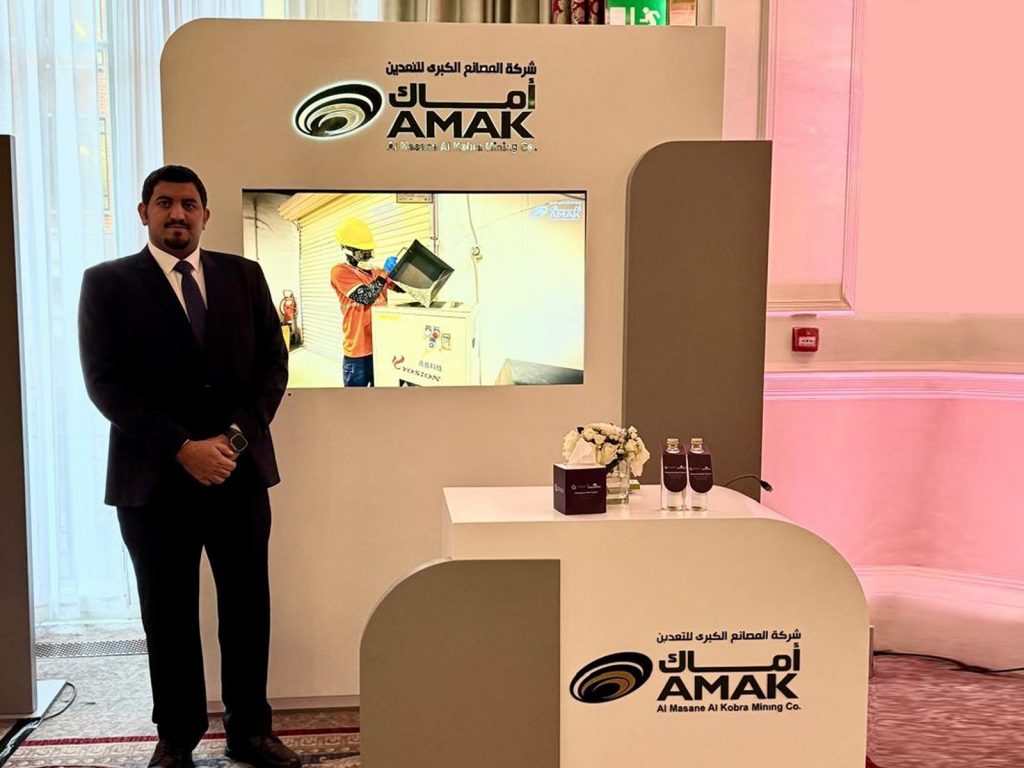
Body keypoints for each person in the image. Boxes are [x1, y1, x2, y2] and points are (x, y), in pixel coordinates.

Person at [78, 165, 296, 768]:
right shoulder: (107, 283)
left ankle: (250, 731)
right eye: (165, 203)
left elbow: (273, 367)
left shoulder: (244, 276)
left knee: (247, 607)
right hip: (152, 484)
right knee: (167, 612)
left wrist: (230, 442)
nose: (178, 214)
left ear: (205, 213)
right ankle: (176, 736)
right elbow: (105, 383)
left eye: (189, 204)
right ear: (143, 211)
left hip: (237, 475)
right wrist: (181, 447)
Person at [328, 218, 397, 387]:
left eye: (369, 251)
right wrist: (385, 273)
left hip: (381, 345)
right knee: (355, 399)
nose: (368, 256)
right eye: (362, 252)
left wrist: (402, 271)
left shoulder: (376, 272)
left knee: (379, 396)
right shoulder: (340, 271)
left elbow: (401, 288)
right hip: (357, 350)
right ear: (347, 250)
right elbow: (366, 297)